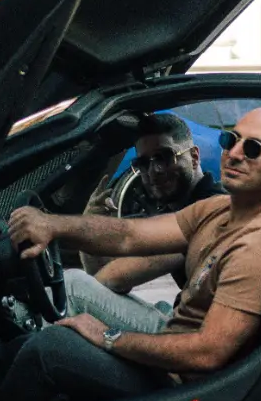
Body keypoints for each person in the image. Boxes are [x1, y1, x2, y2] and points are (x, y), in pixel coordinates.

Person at [0, 106, 261, 401]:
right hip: (171, 343)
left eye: (252, 149)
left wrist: (109, 337)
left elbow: (208, 353)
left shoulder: (260, 243)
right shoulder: (220, 208)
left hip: (186, 390)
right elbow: (129, 235)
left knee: (51, 348)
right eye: (230, 140)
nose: (234, 153)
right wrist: (53, 225)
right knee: (27, 346)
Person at [66, 110, 219, 321]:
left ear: (194, 157)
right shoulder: (177, 209)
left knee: (73, 286)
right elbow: (103, 279)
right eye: (143, 163)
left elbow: (112, 279)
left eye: (164, 157)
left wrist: (87, 229)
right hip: (189, 319)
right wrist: (89, 235)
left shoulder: (208, 208)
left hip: (199, 339)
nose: (154, 170)